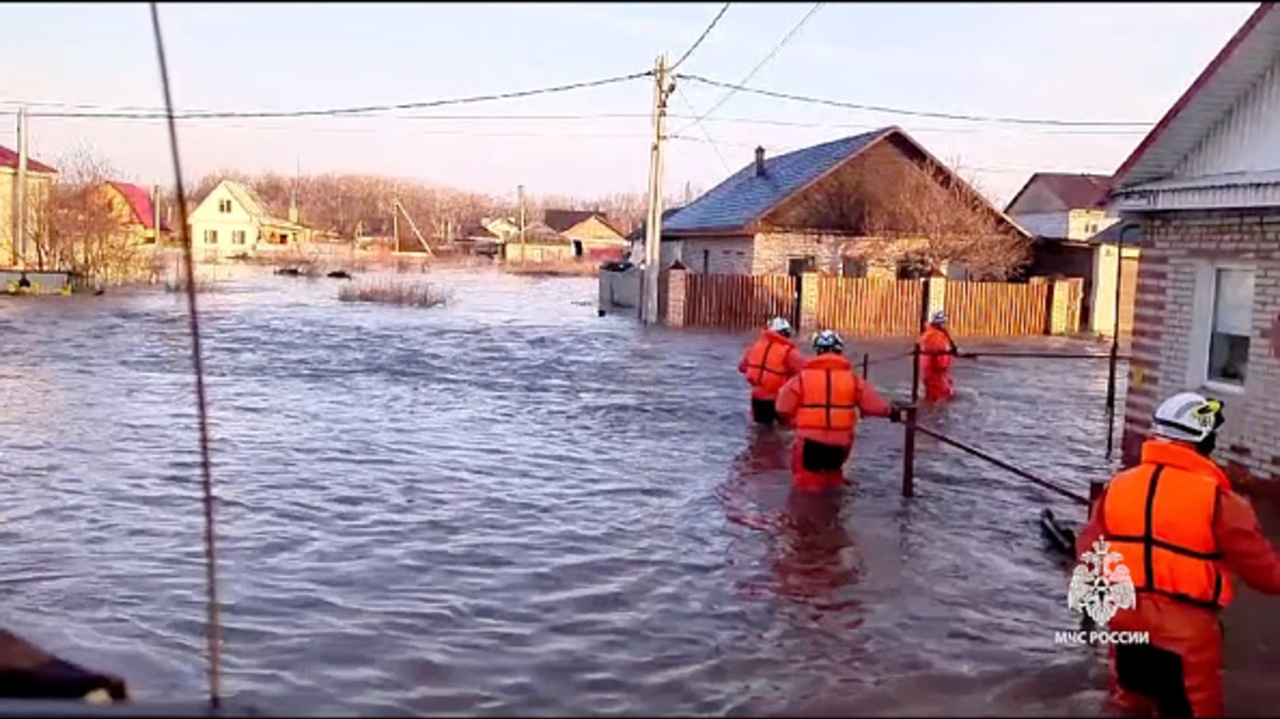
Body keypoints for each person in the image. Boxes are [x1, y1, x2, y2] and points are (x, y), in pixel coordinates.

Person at [1075, 391, 1280, 717]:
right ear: (1203, 439)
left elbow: (1088, 555)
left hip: (1126, 624)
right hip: (1186, 638)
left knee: (1129, 706)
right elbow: (1268, 575)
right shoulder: (1221, 502)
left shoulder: (1118, 487)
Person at [774, 329, 903, 492]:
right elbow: (874, 406)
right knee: (834, 481)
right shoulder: (854, 380)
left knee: (806, 488)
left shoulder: (800, 379)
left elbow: (782, 407)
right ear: (840, 350)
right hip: (839, 445)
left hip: (808, 444)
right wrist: (892, 411)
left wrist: (793, 421)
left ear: (817, 351)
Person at [738, 316, 805, 425]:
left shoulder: (754, 347)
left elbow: (742, 368)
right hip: (779, 398)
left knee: (760, 431)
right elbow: (804, 373)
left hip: (757, 398)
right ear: (786, 334)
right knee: (782, 432)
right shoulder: (789, 352)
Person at [919, 310, 959, 403]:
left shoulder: (935, 334)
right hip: (936, 374)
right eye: (944, 322)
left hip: (935, 374)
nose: (946, 324)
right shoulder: (935, 337)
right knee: (937, 400)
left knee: (937, 398)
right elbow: (941, 359)